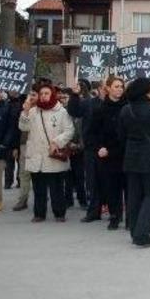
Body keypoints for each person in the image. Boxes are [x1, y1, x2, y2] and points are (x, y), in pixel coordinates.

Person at [118, 77, 150, 248]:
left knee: (133, 196)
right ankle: (141, 234)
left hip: (131, 157)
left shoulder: (126, 109)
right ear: (147, 91)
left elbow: (120, 135)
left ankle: (134, 230)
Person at [18, 84, 75, 222]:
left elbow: (69, 130)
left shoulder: (61, 111)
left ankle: (59, 213)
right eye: (41, 93)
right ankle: (39, 214)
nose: (43, 96)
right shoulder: (33, 111)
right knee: (38, 188)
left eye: (46, 93)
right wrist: (25, 111)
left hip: (53, 154)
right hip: (37, 155)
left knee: (56, 188)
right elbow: (23, 127)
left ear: (52, 94)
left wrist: (57, 142)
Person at [87, 76, 127, 229]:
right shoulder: (100, 109)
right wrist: (99, 148)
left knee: (129, 187)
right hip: (107, 155)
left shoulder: (127, 107)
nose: (119, 89)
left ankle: (131, 218)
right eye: (116, 86)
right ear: (108, 88)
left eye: (121, 87)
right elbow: (92, 133)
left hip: (124, 152)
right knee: (112, 187)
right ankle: (115, 216)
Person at [67, 79, 103, 221]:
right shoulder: (89, 103)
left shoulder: (120, 104)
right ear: (100, 88)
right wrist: (74, 96)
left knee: (111, 182)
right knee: (92, 181)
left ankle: (115, 213)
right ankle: (93, 211)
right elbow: (74, 111)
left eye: (120, 87)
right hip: (91, 148)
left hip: (111, 148)